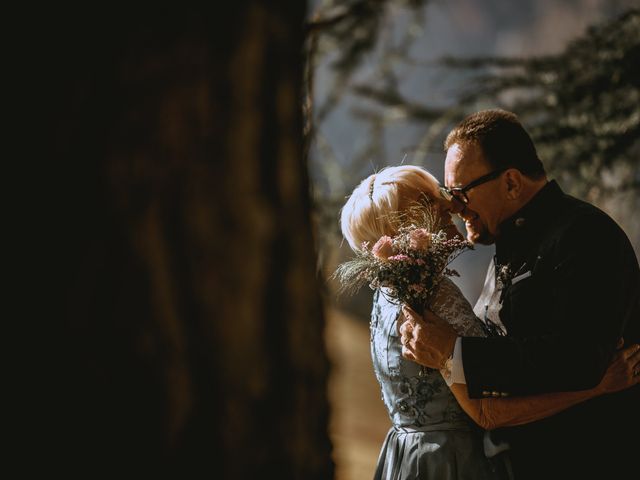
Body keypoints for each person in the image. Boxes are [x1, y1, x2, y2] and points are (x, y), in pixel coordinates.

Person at [339, 165, 639, 480]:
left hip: (407, 458)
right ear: (398, 229)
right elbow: (488, 413)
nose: (449, 205)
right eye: (428, 202)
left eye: (438, 193)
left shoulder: (386, 295)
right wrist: (599, 385)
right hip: (455, 464)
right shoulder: (429, 297)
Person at [399, 110, 640, 479]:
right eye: (450, 194)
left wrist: (452, 350)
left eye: (461, 192)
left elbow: (575, 359)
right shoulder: (511, 240)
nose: (455, 206)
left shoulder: (586, 237)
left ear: (511, 182)